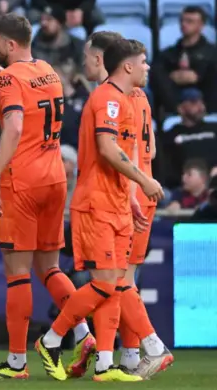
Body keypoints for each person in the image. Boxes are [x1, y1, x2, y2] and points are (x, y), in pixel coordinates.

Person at [0, 14, 93, 380]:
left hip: (21, 181)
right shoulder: (48, 70)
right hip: (55, 178)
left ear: (9, 43)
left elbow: (16, 124)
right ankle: (83, 333)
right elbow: (25, 95)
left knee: (17, 274)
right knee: (49, 267)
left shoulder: (10, 78)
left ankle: (17, 362)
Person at [35, 38, 165, 382]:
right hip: (97, 205)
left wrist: (133, 194)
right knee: (111, 283)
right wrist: (143, 182)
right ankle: (52, 339)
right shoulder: (108, 98)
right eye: (143, 61)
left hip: (121, 201)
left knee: (115, 282)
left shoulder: (125, 99)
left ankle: (108, 363)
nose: (147, 67)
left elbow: (127, 151)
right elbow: (108, 149)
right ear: (126, 65)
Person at [81, 31, 174, 378]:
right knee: (126, 279)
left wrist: (134, 190)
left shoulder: (117, 98)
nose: (88, 63)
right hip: (139, 189)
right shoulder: (141, 97)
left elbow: (120, 150)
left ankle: (145, 348)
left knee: (118, 281)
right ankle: (130, 356)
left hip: (127, 192)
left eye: (91, 56)